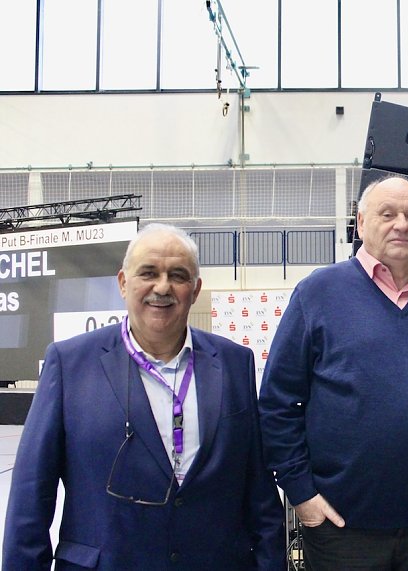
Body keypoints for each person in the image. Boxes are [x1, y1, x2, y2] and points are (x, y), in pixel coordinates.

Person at [2, 223, 286, 570]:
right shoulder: (70, 363)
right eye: (148, 273)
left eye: (178, 275)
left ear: (195, 290)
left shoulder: (233, 363)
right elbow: (31, 496)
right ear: (123, 283)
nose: (162, 287)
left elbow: (258, 490)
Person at [259, 176, 408, 570]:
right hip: (342, 529)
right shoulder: (318, 293)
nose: (401, 224)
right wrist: (300, 493)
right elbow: (278, 403)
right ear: (361, 224)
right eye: (388, 214)